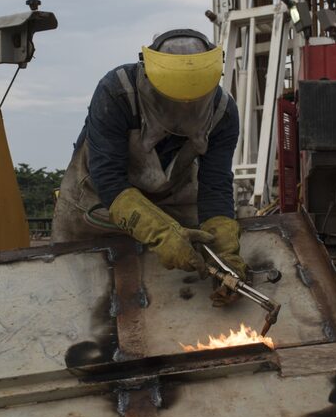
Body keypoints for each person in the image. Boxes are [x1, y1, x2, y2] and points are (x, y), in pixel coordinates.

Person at [52, 28, 246, 294]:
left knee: (175, 299)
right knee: (74, 294)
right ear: (149, 78)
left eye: (192, 103)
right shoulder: (117, 93)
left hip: (174, 203)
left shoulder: (223, 112)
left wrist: (225, 253)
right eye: (174, 103)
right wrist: (161, 233)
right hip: (95, 204)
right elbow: (108, 178)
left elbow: (215, 186)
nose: (183, 111)